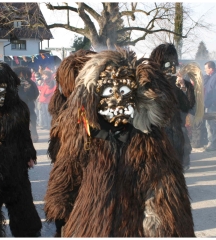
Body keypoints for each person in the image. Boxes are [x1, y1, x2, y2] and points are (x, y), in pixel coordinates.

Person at [44, 48, 195, 237]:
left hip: (133, 222)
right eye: (109, 91)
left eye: (124, 91)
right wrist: (61, 206)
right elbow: (69, 168)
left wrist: (160, 222)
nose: (117, 99)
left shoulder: (148, 139)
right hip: (92, 219)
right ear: (96, 96)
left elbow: (164, 184)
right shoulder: (85, 132)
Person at [0, 61, 42, 237]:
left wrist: (29, 153)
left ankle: (28, 233)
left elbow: (24, 135)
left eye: (1, 89)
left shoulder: (18, 108)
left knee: (23, 209)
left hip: (15, 167)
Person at [150, 43, 202, 171]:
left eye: (173, 64)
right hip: (156, 132)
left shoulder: (179, 83)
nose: (171, 68)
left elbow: (187, 105)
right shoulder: (151, 81)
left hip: (176, 131)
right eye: (168, 64)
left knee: (175, 167)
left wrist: (183, 87)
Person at [13, 66, 39, 143]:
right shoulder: (14, 84)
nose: (22, 76)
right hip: (18, 106)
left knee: (32, 119)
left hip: (29, 105)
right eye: (20, 75)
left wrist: (27, 89)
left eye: (23, 74)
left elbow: (35, 94)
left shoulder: (31, 83)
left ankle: (34, 134)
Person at [203, 61, 216, 151]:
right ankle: (211, 143)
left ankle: (212, 144)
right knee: (209, 125)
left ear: (211, 69)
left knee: (211, 125)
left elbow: (213, 92)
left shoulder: (215, 78)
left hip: (212, 105)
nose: (205, 70)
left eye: (206, 69)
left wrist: (211, 103)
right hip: (209, 104)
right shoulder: (210, 77)